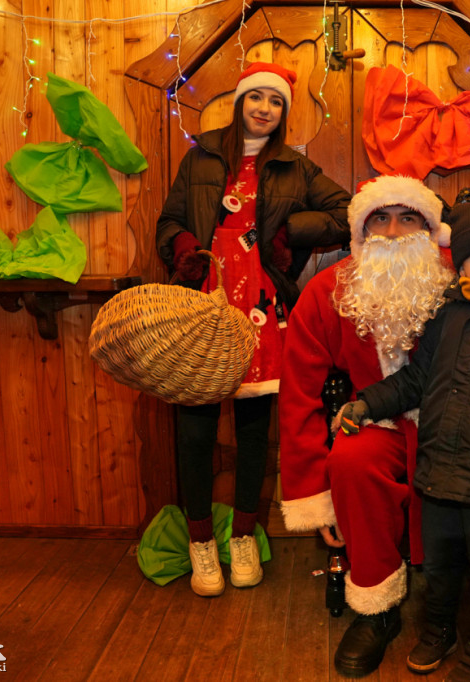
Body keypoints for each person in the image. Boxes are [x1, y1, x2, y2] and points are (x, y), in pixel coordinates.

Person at [279, 175, 470, 681]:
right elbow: (298, 395)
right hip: (385, 422)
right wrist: (313, 491)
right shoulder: (328, 291)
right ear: (360, 229)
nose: (395, 232)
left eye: (409, 219)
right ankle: (376, 609)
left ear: (432, 229)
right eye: (381, 219)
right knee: (353, 460)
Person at [155, 62, 350, 597]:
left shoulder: (294, 166)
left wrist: (288, 234)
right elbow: (168, 221)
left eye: (276, 101)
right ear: (240, 102)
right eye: (256, 97)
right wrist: (184, 252)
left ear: (284, 111)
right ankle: (200, 545)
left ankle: (243, 537)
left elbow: (345, 212)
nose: (264, 107)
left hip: (263, 306)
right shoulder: (200, 156)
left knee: (251, 434)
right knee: (194, 431)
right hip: (204, 304)